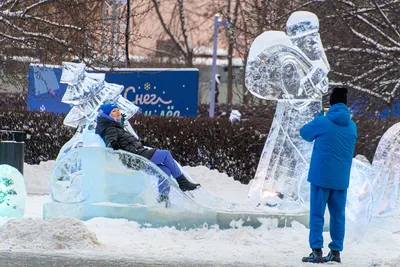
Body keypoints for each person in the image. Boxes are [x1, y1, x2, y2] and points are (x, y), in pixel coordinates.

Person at [95, 103, 200, 203]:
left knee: (165, 171)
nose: (118, 112)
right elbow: (110, 139)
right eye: (114, 111)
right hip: (136, 158)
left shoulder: (117, 127)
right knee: (165, 154)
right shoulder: (110, 128)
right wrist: (113, 144)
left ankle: (163, 200)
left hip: (138, 155)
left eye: (118, 110)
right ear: (107, 115)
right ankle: (182, 182)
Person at [299, 87, 357, 263]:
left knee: (317, 214)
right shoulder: (352, 126)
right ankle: (336, 252)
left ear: (330, 103)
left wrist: (318, 118)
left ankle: (316, 251)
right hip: (340, 179)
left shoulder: (323, 121)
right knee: (338, 216)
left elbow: (304, 133)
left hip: (320, 177)